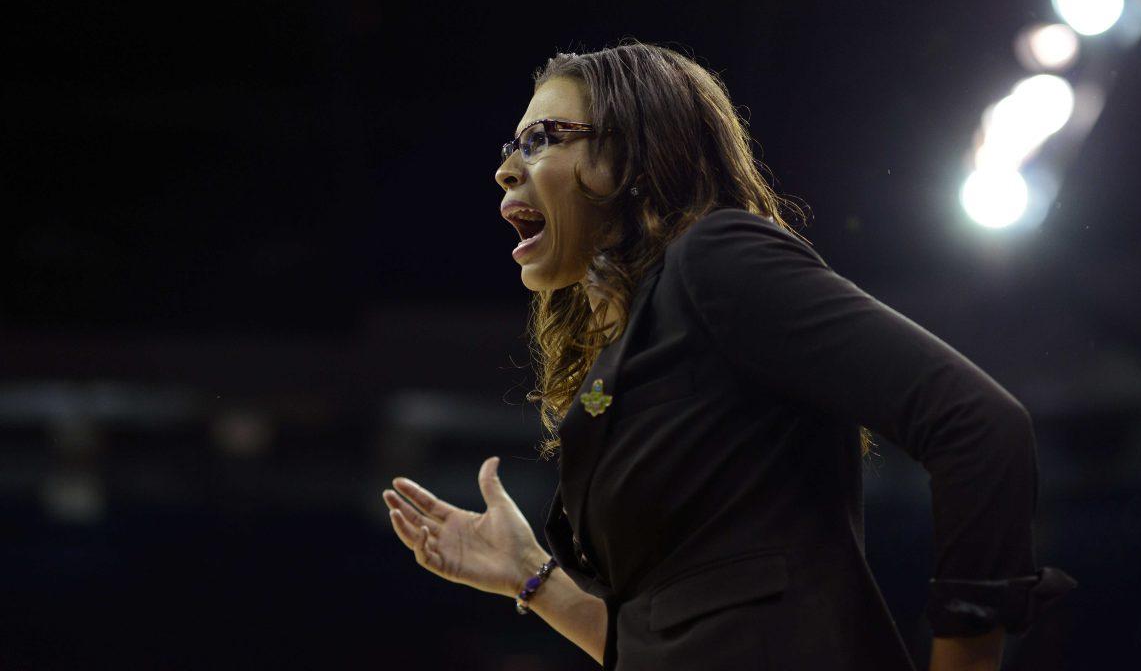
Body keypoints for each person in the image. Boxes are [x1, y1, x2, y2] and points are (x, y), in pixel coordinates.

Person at [381, 41, 1075, 670]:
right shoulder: (626, 358)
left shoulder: (715, 258)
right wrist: (530, 575)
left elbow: (979, 424)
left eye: (541, 139)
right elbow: (672, 640)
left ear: (632, 154)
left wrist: (967, 658)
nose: (505, 169)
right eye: (512, 145)